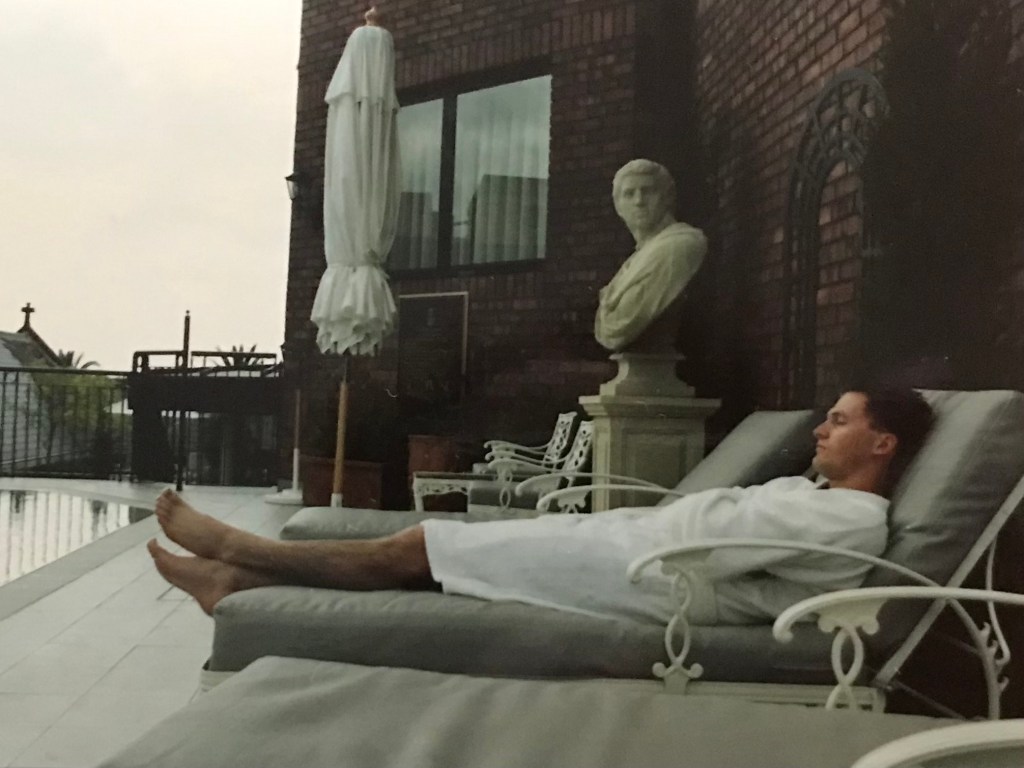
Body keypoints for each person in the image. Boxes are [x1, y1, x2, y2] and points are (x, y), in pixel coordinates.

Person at [148, 388, 934, 627]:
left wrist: (692, 516)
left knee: (420, 547)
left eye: (840, 420)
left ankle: (240, 553)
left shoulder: (849, 520)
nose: (821, 428)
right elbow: (716, 525)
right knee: (432, 560)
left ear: (883, 443)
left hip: (653, 577)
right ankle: (236, 584)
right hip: (639, 546)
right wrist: (691, 516)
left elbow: (715, 545)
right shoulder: (811, 496)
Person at [594, 159, 708, 353]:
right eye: (629, 194)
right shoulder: (636, 259)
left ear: (667, 198)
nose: (639, 201)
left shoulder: (680, 245)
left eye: (647, 191)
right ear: (619, 207)